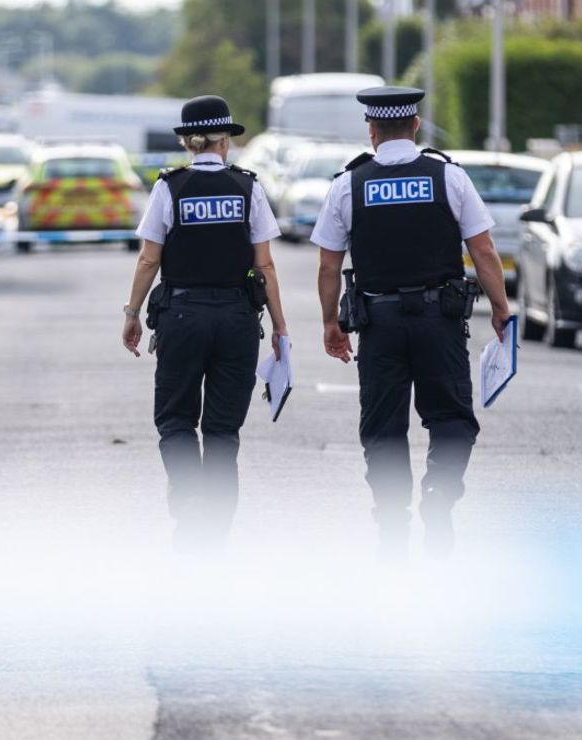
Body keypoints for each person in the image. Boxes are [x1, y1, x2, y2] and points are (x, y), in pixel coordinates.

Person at [310, 86, 510, 559]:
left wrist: (329, 324)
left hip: (378, 323)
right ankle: (439, 501)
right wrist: (501, 309)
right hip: (439, 321)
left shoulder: (348, 184)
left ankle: (392, 523)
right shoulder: (448, 177)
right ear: (415, 126)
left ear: (372, 130)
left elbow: (327, 266)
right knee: (452, 420)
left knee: (383, 428)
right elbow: (482, 250)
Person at [121, 95, 288, 552]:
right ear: (224, 142)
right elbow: (266, 267)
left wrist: (133, 313)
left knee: (175, 420)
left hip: (181, 317)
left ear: (187, 142)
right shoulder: (248, 188)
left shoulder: (168, 188)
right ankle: (214, 525)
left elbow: (148, 258)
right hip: (236, 319)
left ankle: (190, 500)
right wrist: (280, 328)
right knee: (221, 430)